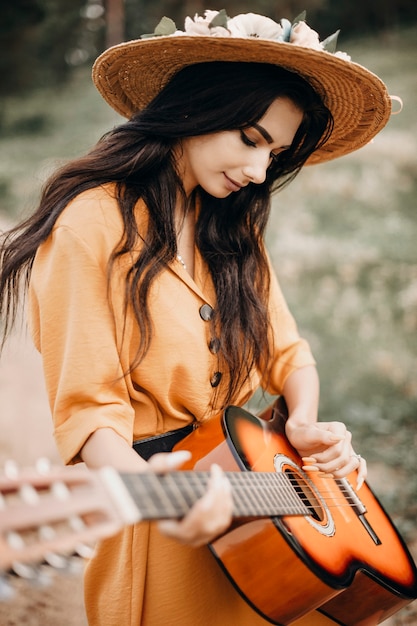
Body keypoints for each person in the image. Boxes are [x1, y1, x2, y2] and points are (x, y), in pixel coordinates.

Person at [0, 9, 393, 626]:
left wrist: (307, 429)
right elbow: (91, 413)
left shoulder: (231, 225)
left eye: (276, 154)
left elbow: (289, 354)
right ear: (195, 110)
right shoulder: (90, 224)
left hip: (268, 524)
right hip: (164, 531)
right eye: (251, 138)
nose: (260, 172)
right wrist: (161, 496)